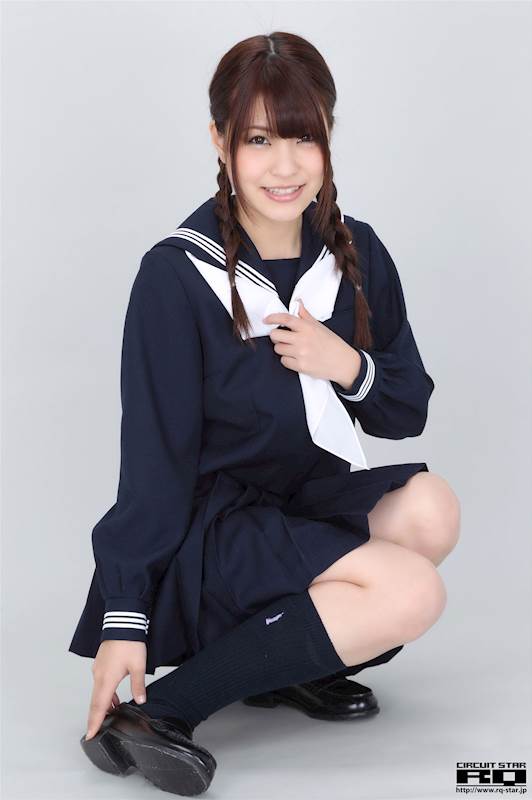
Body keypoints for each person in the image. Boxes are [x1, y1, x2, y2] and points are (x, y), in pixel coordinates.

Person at [69, 30, 460, 797]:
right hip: (217, 532)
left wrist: (344, 364)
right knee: (412, 592)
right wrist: (124, 616)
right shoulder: (178, 276)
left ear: (328, 138)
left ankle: (290, 668)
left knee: (432, 510)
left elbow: (406, 407)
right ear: (220, 141)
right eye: (258, 140)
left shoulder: (353, 253)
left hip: (301, 502)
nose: (285, 166)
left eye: (303, 137)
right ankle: (157, 713)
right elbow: (152, 464)